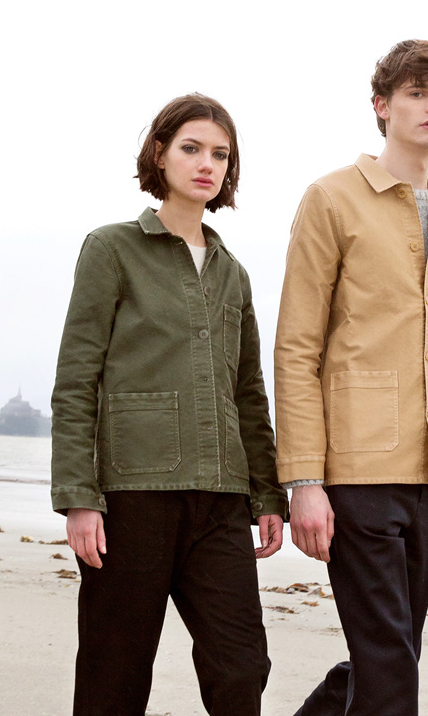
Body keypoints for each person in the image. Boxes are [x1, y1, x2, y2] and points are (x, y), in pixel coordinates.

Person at [274, 40, 428, 716]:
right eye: (417, 93)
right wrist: (303, 481)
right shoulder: (332, 198)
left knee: (390, 655)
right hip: (355, 470)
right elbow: (297, 346)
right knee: (391, 662)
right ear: (382, 105)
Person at [50, 93, 288, 716]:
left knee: (241, 667)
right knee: (115, 672)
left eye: (220, 155)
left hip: (222, 500)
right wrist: (78, 497)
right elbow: (76, 380)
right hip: (133, 498)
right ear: (159, 153)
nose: (207, 164)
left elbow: (248, 392)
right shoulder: (111, 249)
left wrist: (267, 495)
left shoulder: (234, 273)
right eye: (191, 148)